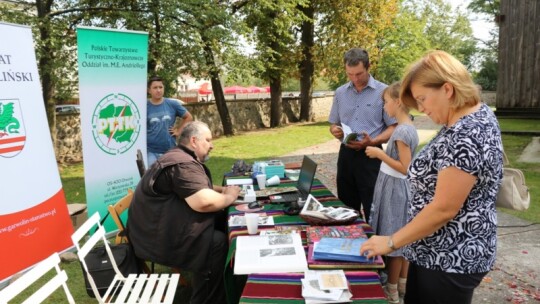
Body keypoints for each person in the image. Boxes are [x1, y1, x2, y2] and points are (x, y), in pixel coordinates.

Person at [360, 50, 503, 304]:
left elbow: (443, 209)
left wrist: (391, 241)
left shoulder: (468, 132)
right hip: (433, 252)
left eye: (423, 99)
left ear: (447, 89)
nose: (422, 109)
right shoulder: (465, 119)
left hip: (450, 257)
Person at [128, 121, 241, 304]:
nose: (211, 145)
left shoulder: (178, 156)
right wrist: (230, 196)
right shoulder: (182, 164)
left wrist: (223, 191)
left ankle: (231, 282)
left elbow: (197, 188)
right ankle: (207, 299)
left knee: (222, 220)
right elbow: (204, 202)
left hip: (156, 228)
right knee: (216, 243)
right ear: (194, 141)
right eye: (208, 140)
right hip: (157, 238)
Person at [328, 47, 397, 222]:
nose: (355, 79)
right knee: (346, 208)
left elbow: (394, 127)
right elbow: (334, 123)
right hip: (346, 156)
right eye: (350, 74)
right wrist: (334, 130)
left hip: (372, 155)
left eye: (359, 74)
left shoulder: (384, 92)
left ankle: (375, 246)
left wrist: (372, 141)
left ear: (368, 67)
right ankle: (351, 245)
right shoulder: (340, 92)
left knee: (373, 207)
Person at [365, 82, 418, 303]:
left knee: (394, 240)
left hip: (395, 189)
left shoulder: (402, 131)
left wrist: (379, 154)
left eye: (385, 101)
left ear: (397, 102)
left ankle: (392, 289)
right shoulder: (408, 126)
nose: (384, 105)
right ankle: (403, 283)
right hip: (395, 187)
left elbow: (405, 167)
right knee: (402, 236)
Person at [147, 76, 193, 167]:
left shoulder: (172, 104)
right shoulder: (144, 106)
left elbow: (188, 117)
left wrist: (178, 131)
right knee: (152, 178)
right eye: (155, 88)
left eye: (161, 87)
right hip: (151, 151)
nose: (158, 90)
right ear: (149, 90)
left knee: (170, 178)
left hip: (170, 150)